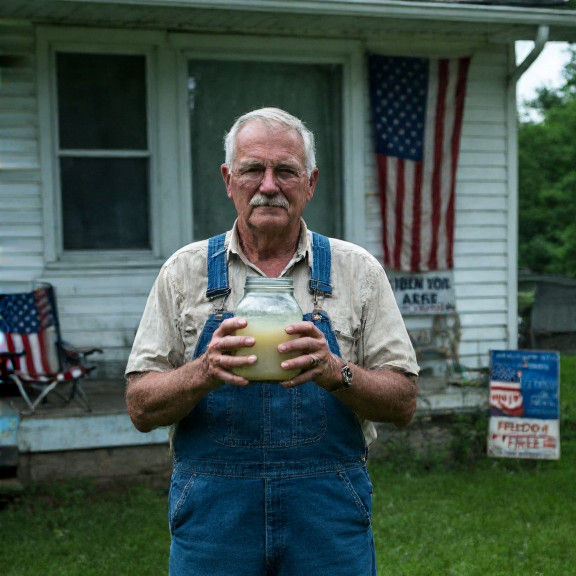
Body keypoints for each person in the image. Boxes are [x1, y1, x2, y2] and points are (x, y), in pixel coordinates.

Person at [125, 107, 419, 576]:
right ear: (228, 179)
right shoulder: (185, 273)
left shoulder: (356, 271)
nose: (268, 185)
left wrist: (335, 373)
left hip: (325, 511)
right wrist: (203, 372)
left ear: (310, 182)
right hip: (214, 516)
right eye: (251, 170)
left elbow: (403, 402)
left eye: (285, 170)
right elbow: (140, 408)